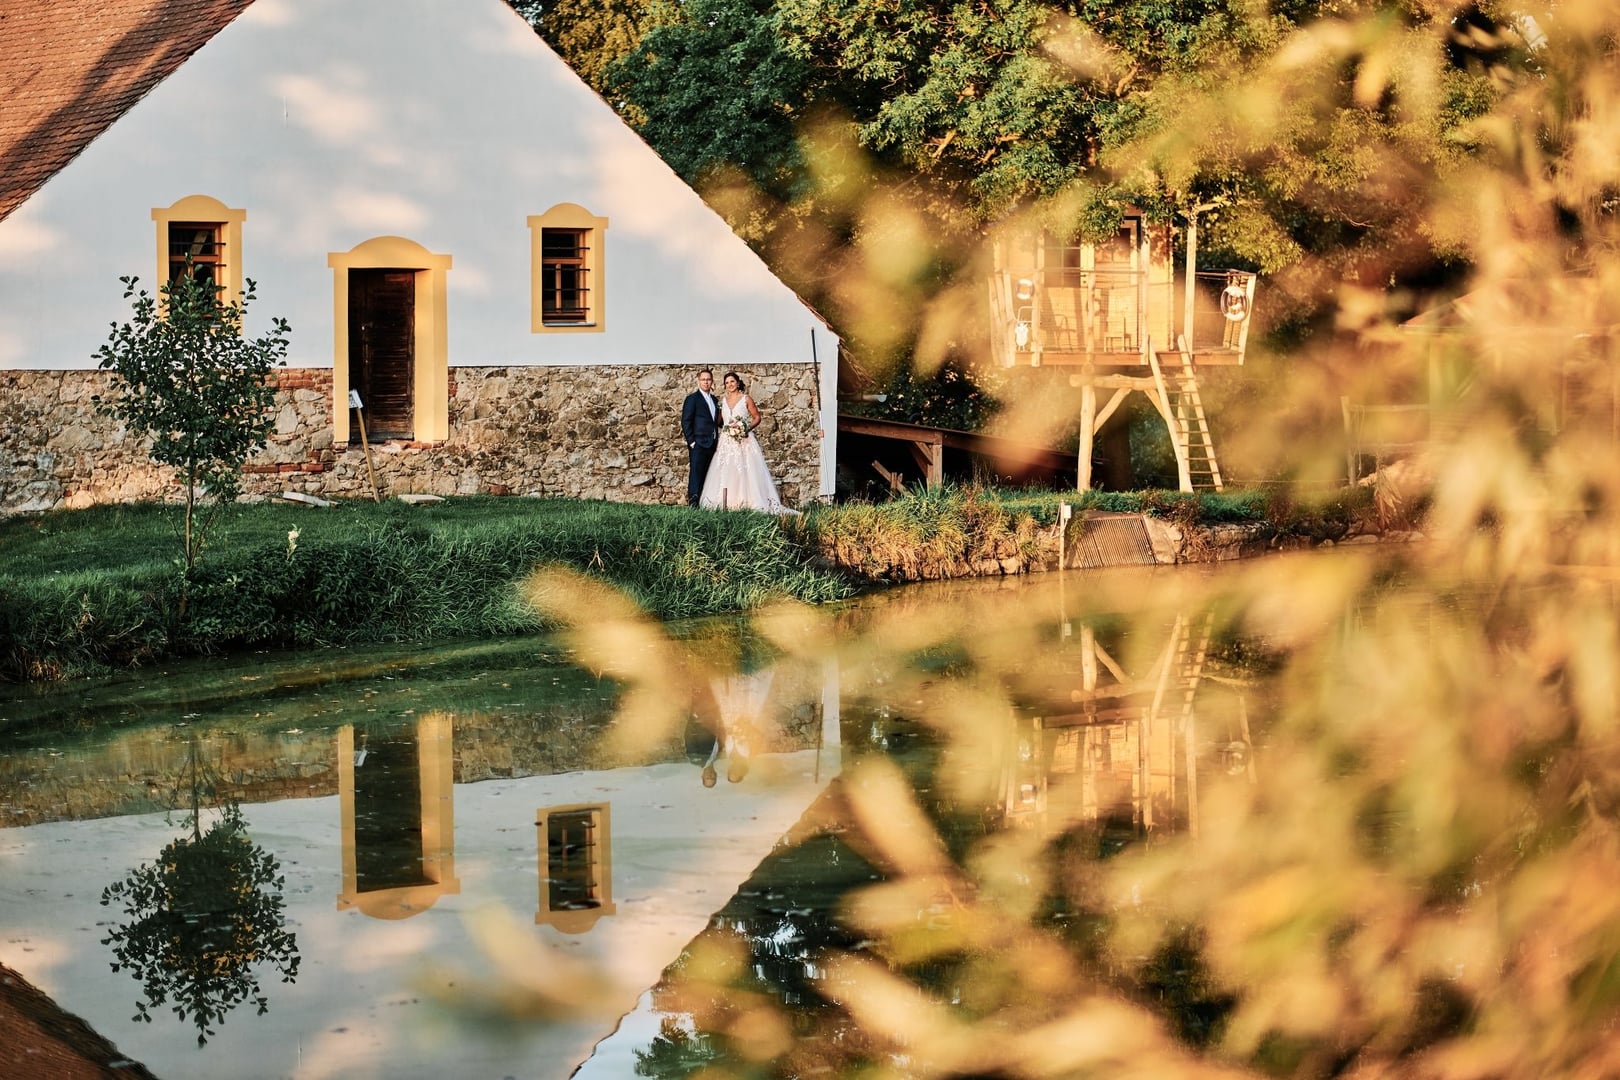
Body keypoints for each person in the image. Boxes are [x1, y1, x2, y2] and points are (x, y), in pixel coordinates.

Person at [698, 372, 796, 515]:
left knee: (745, 470)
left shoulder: (746, 399)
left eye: (732, 381)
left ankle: (748, 501)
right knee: (726, 470)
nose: (729, 385)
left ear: (738, 383)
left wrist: (745, 428)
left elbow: (757, 417)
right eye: (726, 383)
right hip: (727, 442)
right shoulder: (722, 401)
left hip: (744, 440)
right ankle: (727, 502)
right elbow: (719, 421)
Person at [680, 369, 720, 507]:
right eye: (703, 379)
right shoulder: (692, 399)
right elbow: (686, 421)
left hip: (712, 444)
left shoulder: (715, 400)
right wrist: (692, 442)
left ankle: (704, 503)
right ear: (698, 381)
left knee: (708, 474)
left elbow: (717, 422)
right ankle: (693, 504)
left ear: (712, 382)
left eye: (708, 379)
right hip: (698, 444)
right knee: (696, 474)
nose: (706, 382)